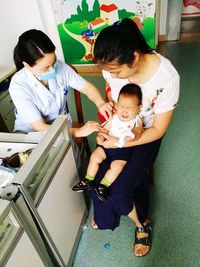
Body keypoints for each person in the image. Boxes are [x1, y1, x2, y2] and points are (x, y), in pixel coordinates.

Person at [89, 18, 180, 257]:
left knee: (120, 190)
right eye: (107, 70)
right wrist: (110, 112)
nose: (111, 75)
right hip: (119, 130)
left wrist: (122, 142)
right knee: (97, 181)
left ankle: (142, 224)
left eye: (116, 71)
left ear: (135, 56)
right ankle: (107, 216)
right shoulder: (113, 69)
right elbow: (112, 90)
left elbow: (158, 130)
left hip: (145, 135)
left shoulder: (167, 79)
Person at [9, 29, 113, 137]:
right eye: (46, 68)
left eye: (53, 62)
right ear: (27, 65)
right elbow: (39, 126)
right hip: (31, 134)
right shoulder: (18, 86)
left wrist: (101, 103)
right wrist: (77, 132)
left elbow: (87, 87)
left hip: (61, 125)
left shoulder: (60, 67)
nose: (53, 69)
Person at [72, 83, 143, 202]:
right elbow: (106, 129)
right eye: (121, 106)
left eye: (130, 108)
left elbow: (138, 132)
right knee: (95, 156)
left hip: (122, 149)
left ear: (138, 108)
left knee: (117, 167)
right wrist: (101, 136)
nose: (125, 111)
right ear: (116, 105)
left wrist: (134, 136)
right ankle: (89, 179)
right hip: (106, 145)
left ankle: (103, 185)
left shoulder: (137, 119)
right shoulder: (114, 117)